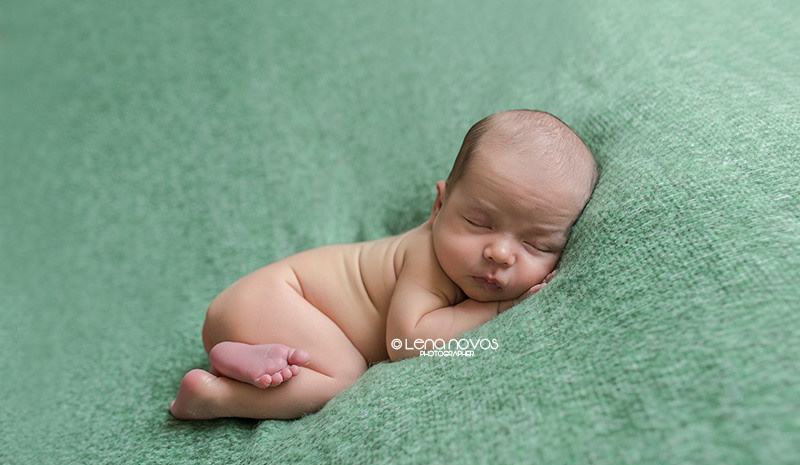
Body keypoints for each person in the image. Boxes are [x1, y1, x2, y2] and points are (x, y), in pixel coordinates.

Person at [170, 109, 599, 420]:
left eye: (535, 243)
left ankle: (238, 357)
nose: (501, 254)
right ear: (440, 204)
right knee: (342, 377)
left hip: (259, 311)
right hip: (275, 298)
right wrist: (497, 309)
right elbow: (406, 342)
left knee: (332, 366)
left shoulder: (460, 263)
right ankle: (216, 397)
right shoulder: (426, 258)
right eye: (477, 222)